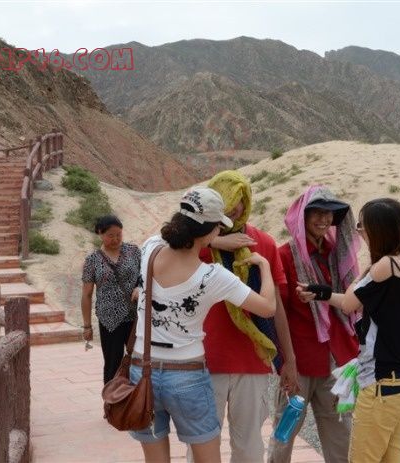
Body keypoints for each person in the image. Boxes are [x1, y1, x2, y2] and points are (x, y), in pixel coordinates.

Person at [129, 187, 277, 463]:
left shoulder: (149, 249)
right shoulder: (213, 276)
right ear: (211, 232)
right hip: (186, 374)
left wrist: (212, 240)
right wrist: (265, 267)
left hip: (142, 368)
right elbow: (268, 308)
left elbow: (163, 235)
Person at [299, 197, 400, 463]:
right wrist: (321, 293)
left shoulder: (384, 266)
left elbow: (349, 303)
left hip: (381, 386)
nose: (359, 233)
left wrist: (366, 269)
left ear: (377, 230)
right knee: (397, 459)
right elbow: (355, 300)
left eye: (361, 227)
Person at [198, 170, 298, 463]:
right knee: (202, 446)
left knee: (249, 447)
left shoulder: (262, 242)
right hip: (204, 360)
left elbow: (275, 306)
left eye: (241, 199)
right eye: (228, 199)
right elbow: (160, 248)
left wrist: (289, 359)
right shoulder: (192, 243)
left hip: (252, 360)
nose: (235, 207)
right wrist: (213, 243)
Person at [268, 185, 361, 463]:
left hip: (336, 360)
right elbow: (277, 313)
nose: (324, 219)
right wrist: (285, 362)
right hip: (299, 361)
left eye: (329, 213)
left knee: (341, 433)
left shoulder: (337, 255)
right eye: (317, 213)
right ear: (303, 217)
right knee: (284, 432)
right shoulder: (284, 256)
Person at [81, 215, 142, 384]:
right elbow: (86, 295)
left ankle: (138, 397)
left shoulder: (133, 251)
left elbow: (145, 275)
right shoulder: (92, 260)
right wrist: (87, 326)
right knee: (112, 364)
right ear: (100, 234)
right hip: (109, 321)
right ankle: (112, 398)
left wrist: (140, 287)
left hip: (136, 317)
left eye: (119, 234)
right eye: (110, 235)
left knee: (138, 362)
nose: (115, 239)